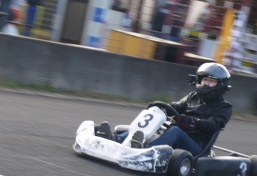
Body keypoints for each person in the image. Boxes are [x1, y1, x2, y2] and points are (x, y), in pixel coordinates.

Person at [96, 63, 233, 156]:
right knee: (153, 126)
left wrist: (190, 121)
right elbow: (176, 107)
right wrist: (159, 107)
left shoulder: (224, 107)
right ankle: (115, 140)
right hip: (178, 137)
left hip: (196, 145)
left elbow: (213, 125)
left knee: (175, 131)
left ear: (220, 85)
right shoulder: (192, 97)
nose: (206, 84)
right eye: (205, 80)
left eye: (211, 81)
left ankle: (145, 151)